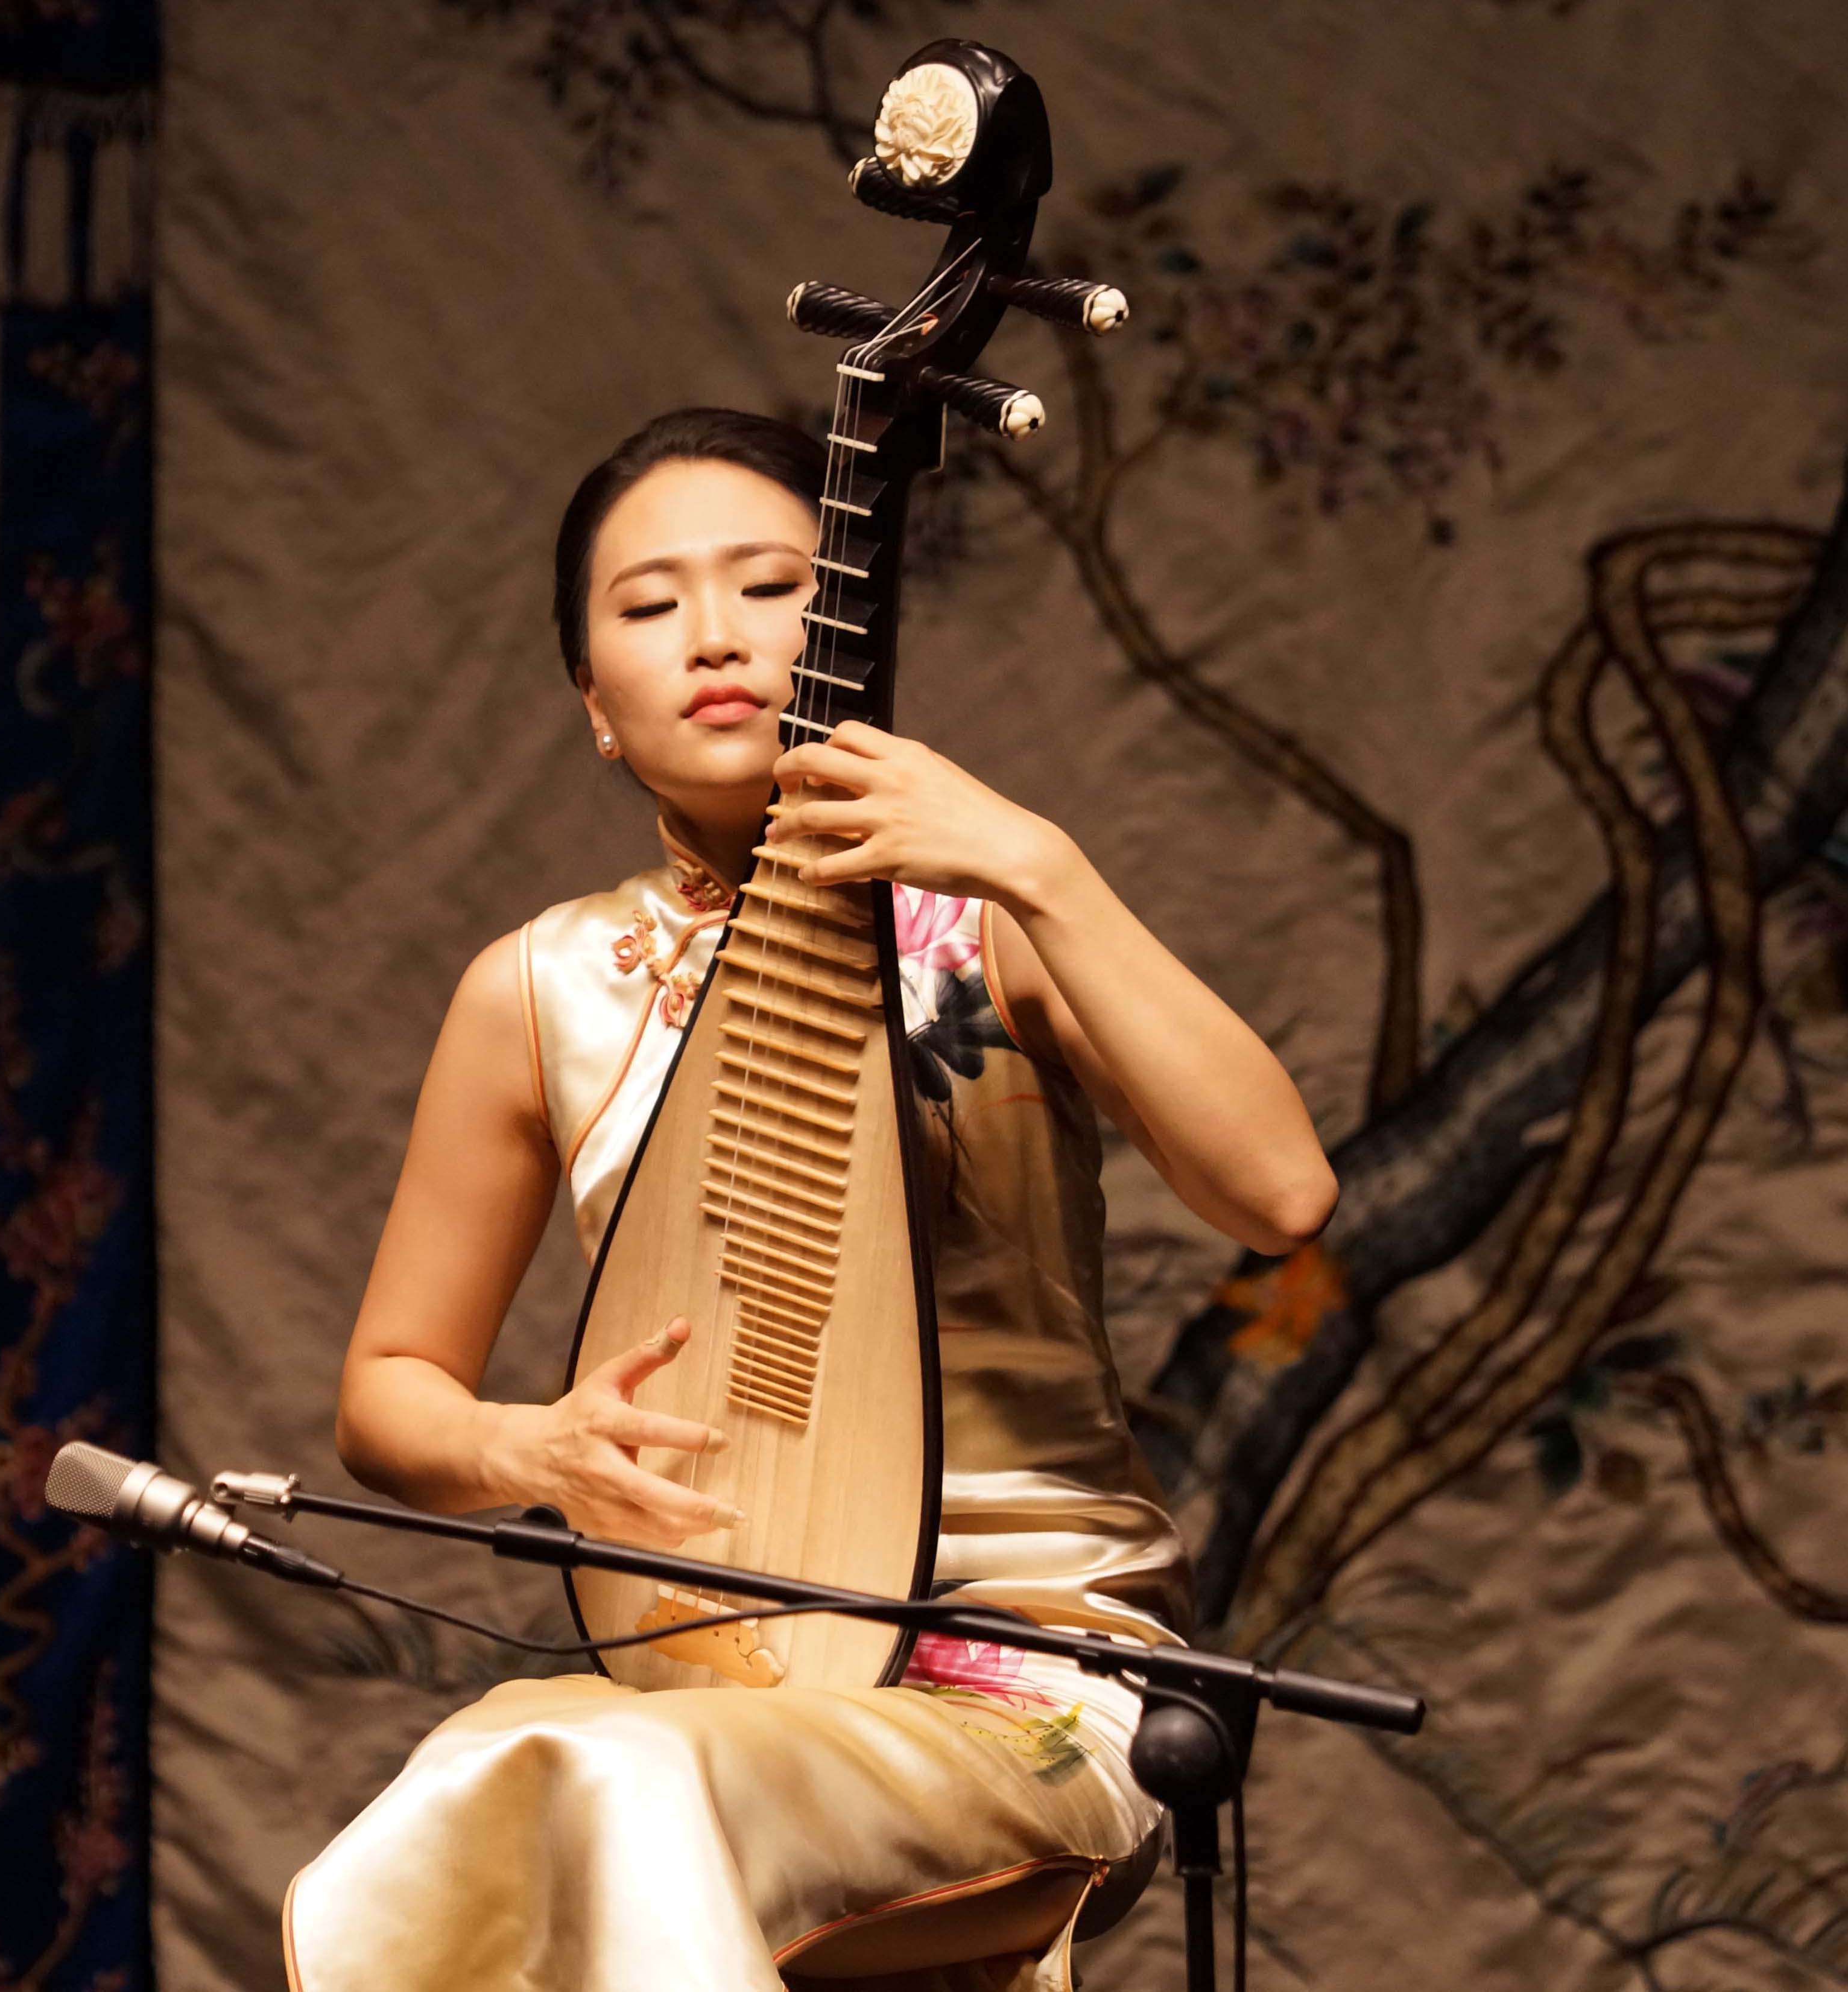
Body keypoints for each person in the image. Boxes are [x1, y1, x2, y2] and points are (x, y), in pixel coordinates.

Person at [286, 408, 1337, 1992]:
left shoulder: (985, 923)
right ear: (592, 701)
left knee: (630, 1796)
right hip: (707, 1661)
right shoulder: (536, 990)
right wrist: (530, 1447)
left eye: (767, 585)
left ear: (845, 621)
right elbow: (387, 1395)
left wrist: (1037, 866)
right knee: (469, 1796)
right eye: (645, 607)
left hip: (1030, 1669)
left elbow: (1276, 1192)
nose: (711, 636)